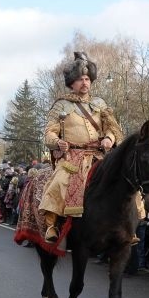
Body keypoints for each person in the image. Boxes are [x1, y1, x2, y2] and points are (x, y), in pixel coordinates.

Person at [38, 52, 123, 244]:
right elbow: (49, 133)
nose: (84, 83)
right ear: (72, 84)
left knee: (124, 177)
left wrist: (109, 138)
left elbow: (113, 128)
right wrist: (57, 142)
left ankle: (129, 224)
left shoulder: (100, 104)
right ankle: (52, 224)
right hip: (73, 155)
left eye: (86, 79)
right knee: (59, 181)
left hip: (99, 154)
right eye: (79, 80)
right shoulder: (61, 105)